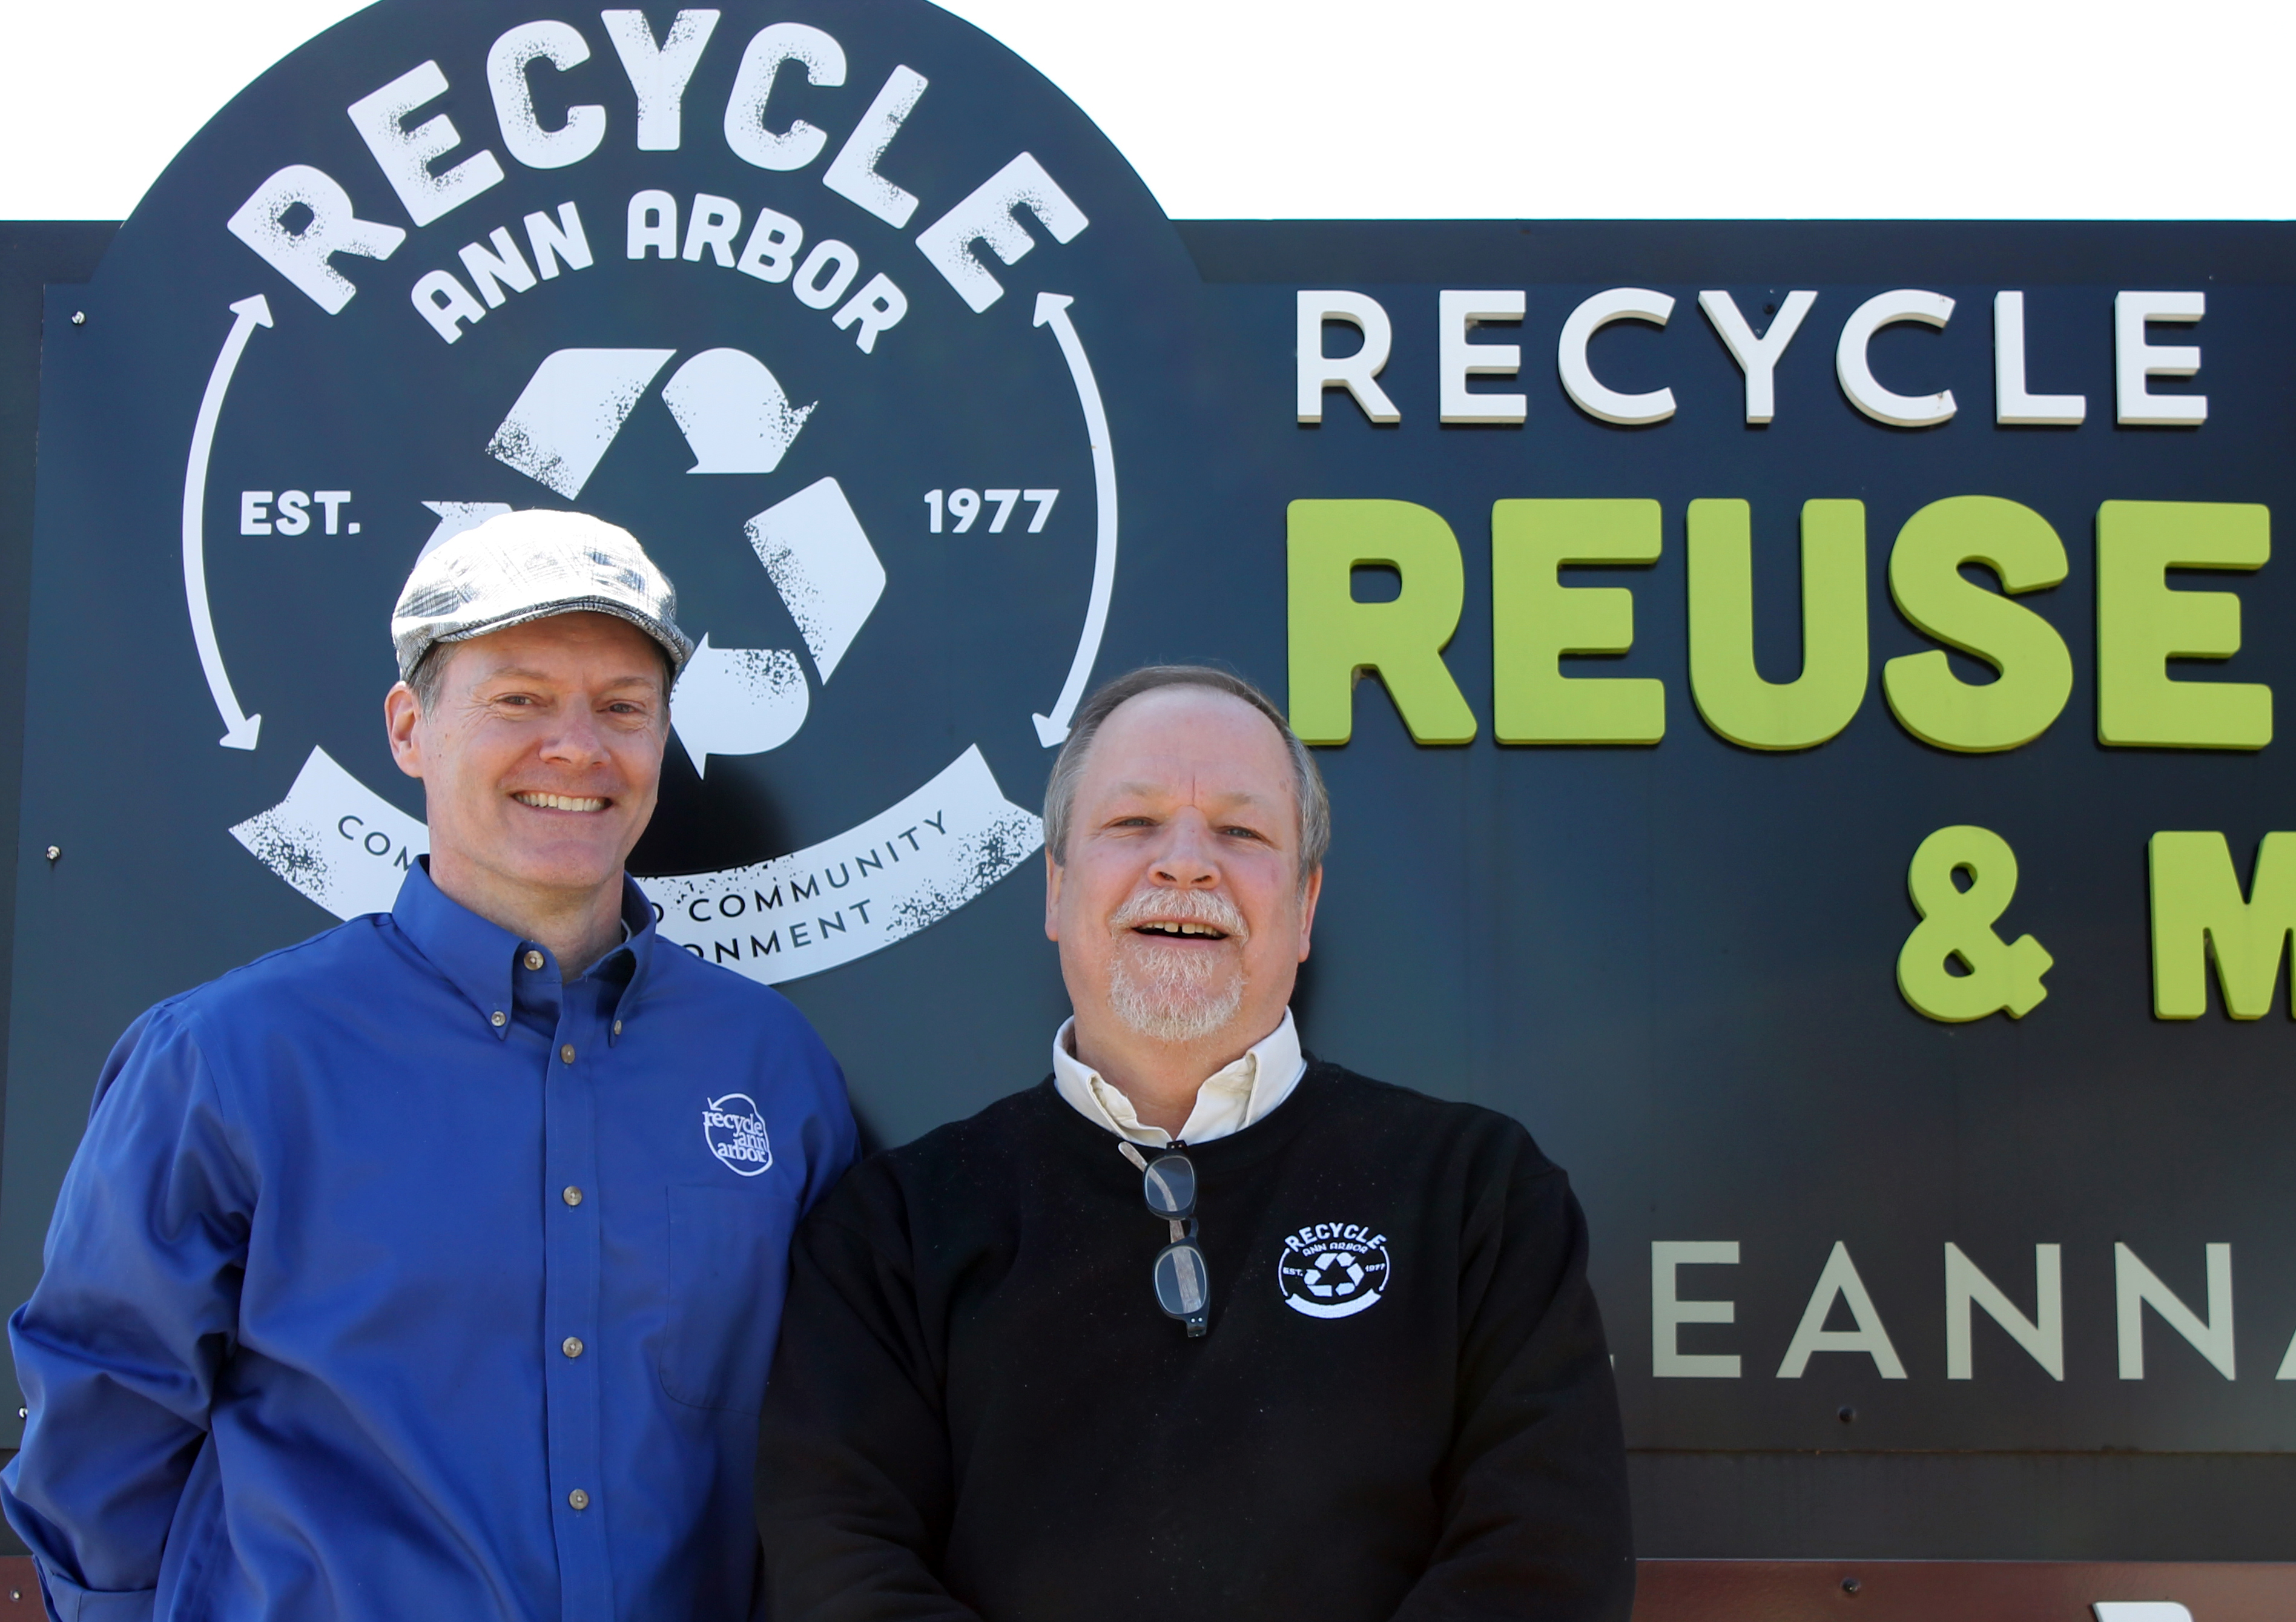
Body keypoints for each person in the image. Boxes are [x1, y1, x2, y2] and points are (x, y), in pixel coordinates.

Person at [3, 510, 857, 1621]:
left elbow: (832, 1431)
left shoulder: (771, 1067)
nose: (578, 748)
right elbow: (103, 1423)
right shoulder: (232, 1061)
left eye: (623, 708)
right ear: (410, 727)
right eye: (519, 699)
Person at [754, 664, 1632, 1622]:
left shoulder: (1481, 1199)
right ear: (1055, 890)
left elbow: (1546, 1563)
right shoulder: (891, 1233)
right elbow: (841, 1570)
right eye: (1133, 825)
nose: (1184, 864)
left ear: (1304, 906)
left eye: (1242, 832)